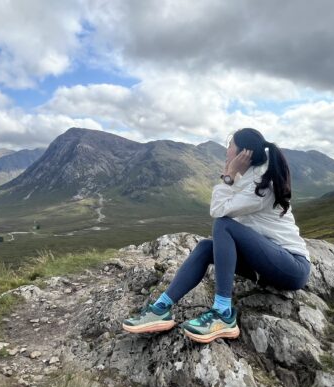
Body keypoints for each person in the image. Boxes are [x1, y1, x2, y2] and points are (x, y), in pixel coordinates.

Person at [122, 128, 311, 344]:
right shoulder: (252, 177)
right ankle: (161, 308)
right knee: (205, 247)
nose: (227, 150)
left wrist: (229, 175)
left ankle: (223, 314)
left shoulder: (261, 187)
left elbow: (218, 210)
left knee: (223, 225)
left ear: (244, 153)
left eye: (230, 146)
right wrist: (232, 177)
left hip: (291, 267)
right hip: (266, 263)